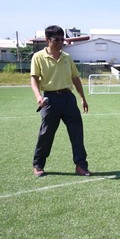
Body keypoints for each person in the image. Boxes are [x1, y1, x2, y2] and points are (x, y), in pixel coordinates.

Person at [30, 25, 91, 177]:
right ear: (47, 40)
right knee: (46, 134)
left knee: (77, 133)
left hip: (68, 99)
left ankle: (81, 165)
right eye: (56, 39)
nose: (60, 42)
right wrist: (38, 96)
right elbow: (34, 79)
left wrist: (82, 98)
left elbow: (75, 78)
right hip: (50, 100)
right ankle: (38, 165)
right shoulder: (38, 57)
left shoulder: (67, 57)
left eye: (62, 39)